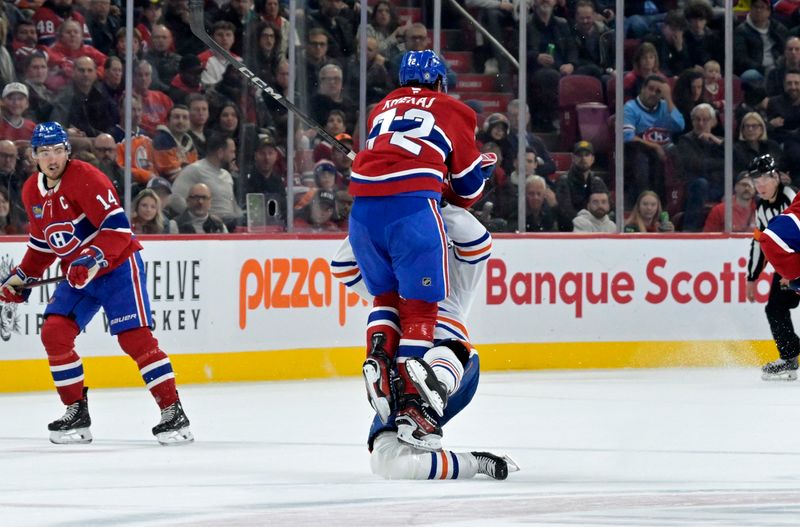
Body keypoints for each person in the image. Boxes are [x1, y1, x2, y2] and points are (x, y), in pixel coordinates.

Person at [0, 122, 193, 444]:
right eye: (45, 152)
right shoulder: (32, 190)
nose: (52, 158)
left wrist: (92, 258)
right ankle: (76, 410)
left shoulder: (87, 177)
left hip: (116, 267)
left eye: (58, 150)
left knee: (135, 339)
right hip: (79, 274)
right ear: (33, 155)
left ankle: (173, 411)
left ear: (68, 151)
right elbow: (42, 244)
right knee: (55, 333)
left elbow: (118, 229)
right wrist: (21, 277)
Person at [348, 49, 495, 451]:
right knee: (421, 311)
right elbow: (467, 192)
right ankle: (413, 403)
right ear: (440, 82)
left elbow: (389, 159)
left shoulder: (383, 106)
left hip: (360, 213)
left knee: (386, 294)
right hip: (412, 210)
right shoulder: (453, 109)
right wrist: (476, 172)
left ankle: (377, 357)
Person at [331, 202, 518, 479]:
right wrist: (380, 208)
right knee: (387, 463)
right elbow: (343, 266)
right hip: (401, 384)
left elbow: (477, 240)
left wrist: (423, 201)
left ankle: (435, 386)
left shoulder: (452, 266)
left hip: (457, 363)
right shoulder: (387, 281)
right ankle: (475, 462)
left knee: (439, 356)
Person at [744, 154, 799, 380]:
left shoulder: (791, 198)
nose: (760, 186)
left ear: (776, 177)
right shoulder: (761, 208)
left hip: (795, 265)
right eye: (756, 182)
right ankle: (789, 357)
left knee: (776, 307)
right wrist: (751, 276)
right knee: (775, 308)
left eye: (765, 179)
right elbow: (759, 242)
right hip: (788, 269)